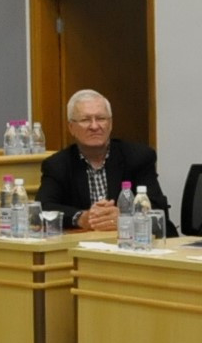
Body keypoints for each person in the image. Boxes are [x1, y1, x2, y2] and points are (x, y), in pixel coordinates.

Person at [35, 89, 178, 234]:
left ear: (110, 124)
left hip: (134, 242)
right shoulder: (57, 165)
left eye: (101, 119)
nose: (95, 126)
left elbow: (158, 207)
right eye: (85, 120)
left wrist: (125, 217)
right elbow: (43, 206)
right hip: (85, 245)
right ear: (71, 127)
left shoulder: (138, 157)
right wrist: (81, 217)